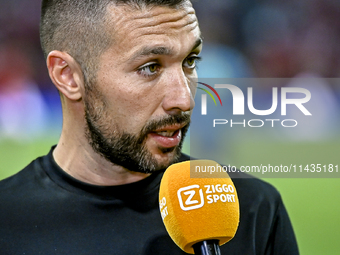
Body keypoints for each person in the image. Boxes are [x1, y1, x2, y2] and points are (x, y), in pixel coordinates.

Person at [0, 0, 299, 254]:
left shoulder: (252, 209)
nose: (184, 99)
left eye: (190, 61)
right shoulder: (8, 222)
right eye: (150, 67)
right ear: (68, 76)